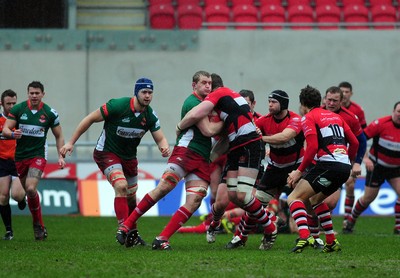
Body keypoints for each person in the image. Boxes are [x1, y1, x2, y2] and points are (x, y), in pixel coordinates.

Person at [117, 71, 223, 250]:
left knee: (195, 201)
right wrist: (227, 122)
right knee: (165, 186)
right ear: (194, 85)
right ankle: (126, 225)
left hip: (203, 158)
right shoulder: (193, 102)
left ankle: (162, 239)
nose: (207, 86)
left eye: (210, 83)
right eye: (203, 82)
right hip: (187, 151)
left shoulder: (211, 104)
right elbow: (208, 130)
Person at [60, 77, 170, 246]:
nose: (147, 96)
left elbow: (160, 137)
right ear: (136, 92)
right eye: (144, 92)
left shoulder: (149, 115)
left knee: (132, 199)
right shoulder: (118, 106)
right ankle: (123, 228)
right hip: (106, 153)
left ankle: (132, 234)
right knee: (121, 186)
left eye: (150, 92)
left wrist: (164, 147)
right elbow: (90, 118)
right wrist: (70, 142)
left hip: (129, 158)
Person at [177, 74, 277, 251]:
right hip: (236, 148)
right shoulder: (228, 102)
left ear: (212, 88)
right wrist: (209, 159)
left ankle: (270, 228)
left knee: (242, 196)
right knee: (227, 197)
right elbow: (225, 139)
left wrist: (179, 127)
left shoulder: (218, 94)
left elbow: (197, 114)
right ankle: (215, 225)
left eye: (208, 86)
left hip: (249, 146)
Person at [287, 85, 359, 253]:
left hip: (328, 165)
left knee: (293, 198)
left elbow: (311, 148)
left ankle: (304, 236)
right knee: (315, 201)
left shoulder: (308, 117)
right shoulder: (335, 116)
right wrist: (347, 160)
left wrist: (299, 171)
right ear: (320, 101)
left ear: (303, 104)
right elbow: (354, 142)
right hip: (343, 167)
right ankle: (331, 240)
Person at [2, 81, 66, 240]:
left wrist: (60, 155)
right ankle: (37, 222)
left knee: (30, 188)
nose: (34, 96)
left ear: (43, 94)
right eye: (32, 93)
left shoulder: (50, 113)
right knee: (24, 192)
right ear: (28, 94)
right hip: (20, 157)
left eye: (37, 93)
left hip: (38, 156)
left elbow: (59, 135)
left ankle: (38, 224)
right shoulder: (19, 109)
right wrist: (12, 134)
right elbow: (5, 128)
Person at [343, 101, 400, 234]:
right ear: (393, 112)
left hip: (396, 169)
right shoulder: (380, 124)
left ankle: (398, 227)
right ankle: (350, 221)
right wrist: (366, 159)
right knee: (368, 199)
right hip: (377, 167)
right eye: (398, 111)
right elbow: (360, 140)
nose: (399, 115)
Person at [321, 87, 366, 225]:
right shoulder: (316, 113)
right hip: (317, 163)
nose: (332, 103)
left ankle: (346, 220)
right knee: (312, 198)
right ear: (324, 99)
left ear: (341, 101)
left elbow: (362, 141)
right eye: (329, 100)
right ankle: (313, 229)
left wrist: (357, 162)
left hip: (338, 163)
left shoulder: (350, 117)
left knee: (331, 202)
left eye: (335, 101)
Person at [339, 81, 368, 225]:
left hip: (351, 152)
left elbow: (363, 136)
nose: (344, 95)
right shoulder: (327, 109)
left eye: (346, 92)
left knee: (350, 185)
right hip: (333, 153)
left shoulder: (357, 111)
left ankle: (346, 220)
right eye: (341, 92)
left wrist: (364, 158)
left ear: (351, 93)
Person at [0, 89, 26, 240]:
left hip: (17, 160)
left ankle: (22, 199)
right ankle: (9, 230)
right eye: (8, 103)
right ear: (1, 104)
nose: (11, 106)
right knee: (2, 197)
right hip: (2, 162)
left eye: (14, 103)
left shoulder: (21, 120)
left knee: (16, 195)